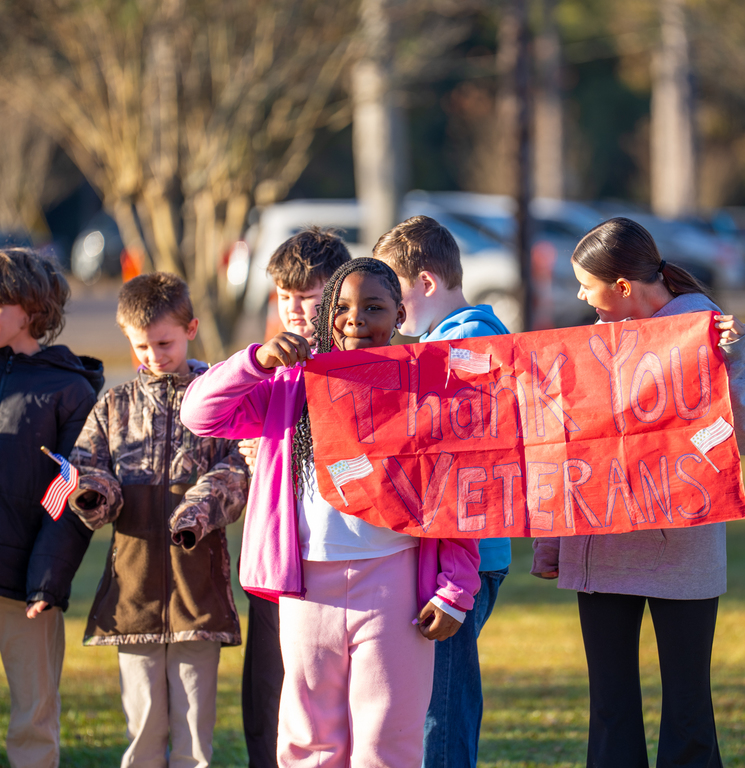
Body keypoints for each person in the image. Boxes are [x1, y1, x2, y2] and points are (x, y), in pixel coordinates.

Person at [179, 257, 481, 768]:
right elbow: (200, 414)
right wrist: (254, 361)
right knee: (309, 742)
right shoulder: (290, 384)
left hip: (396, 581)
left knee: (389, 739)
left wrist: (455, 588)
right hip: (306, 586)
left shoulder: (426, 385)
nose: (354, 318)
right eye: (340, 307)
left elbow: (455, 493)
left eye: (374, 307)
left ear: (400, 315)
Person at [531, 217, 745, 768]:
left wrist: (736, 361)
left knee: (690, 708)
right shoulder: (588, 343)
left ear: (621, 285)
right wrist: (551, 542)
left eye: (585, 284)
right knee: (610, 708)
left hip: (683, 551)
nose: (578, 295)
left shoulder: (710, 332)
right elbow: (562, 445)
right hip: (600, 547)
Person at [67, 272, 249, 768]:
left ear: (190, 329)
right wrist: (92, 496)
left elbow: (237, 469)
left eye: (163, 343)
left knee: (194, 733)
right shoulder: (113, 405)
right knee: (143, 729)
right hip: (135, 590)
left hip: (198, 590)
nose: (153, 356)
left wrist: (198, 507)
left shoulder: (218, 398)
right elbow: (87, 467)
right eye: (141, 347)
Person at [373, 215, 510, 768]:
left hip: (467, 552)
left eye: (394, 291)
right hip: (455, 547)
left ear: (426, 283)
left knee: (443, 697)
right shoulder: (448, 338)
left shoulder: (468, 339)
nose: (392, 307)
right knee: (434, 690)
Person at [237, 226, 350, 768]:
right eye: (285, 296)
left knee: (348, 712)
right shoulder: (275, 372)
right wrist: (255, 361)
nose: (296, 309)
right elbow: (201, 411)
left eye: (309, 295)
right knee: (276, 698)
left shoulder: (371, 362)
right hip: (282, 563)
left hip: (358, 564)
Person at [0, 247, 104, 768]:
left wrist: (46, 582)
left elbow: (68, 496)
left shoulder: (69, 390)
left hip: (25, 590)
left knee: (32, 718)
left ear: (32, 308)